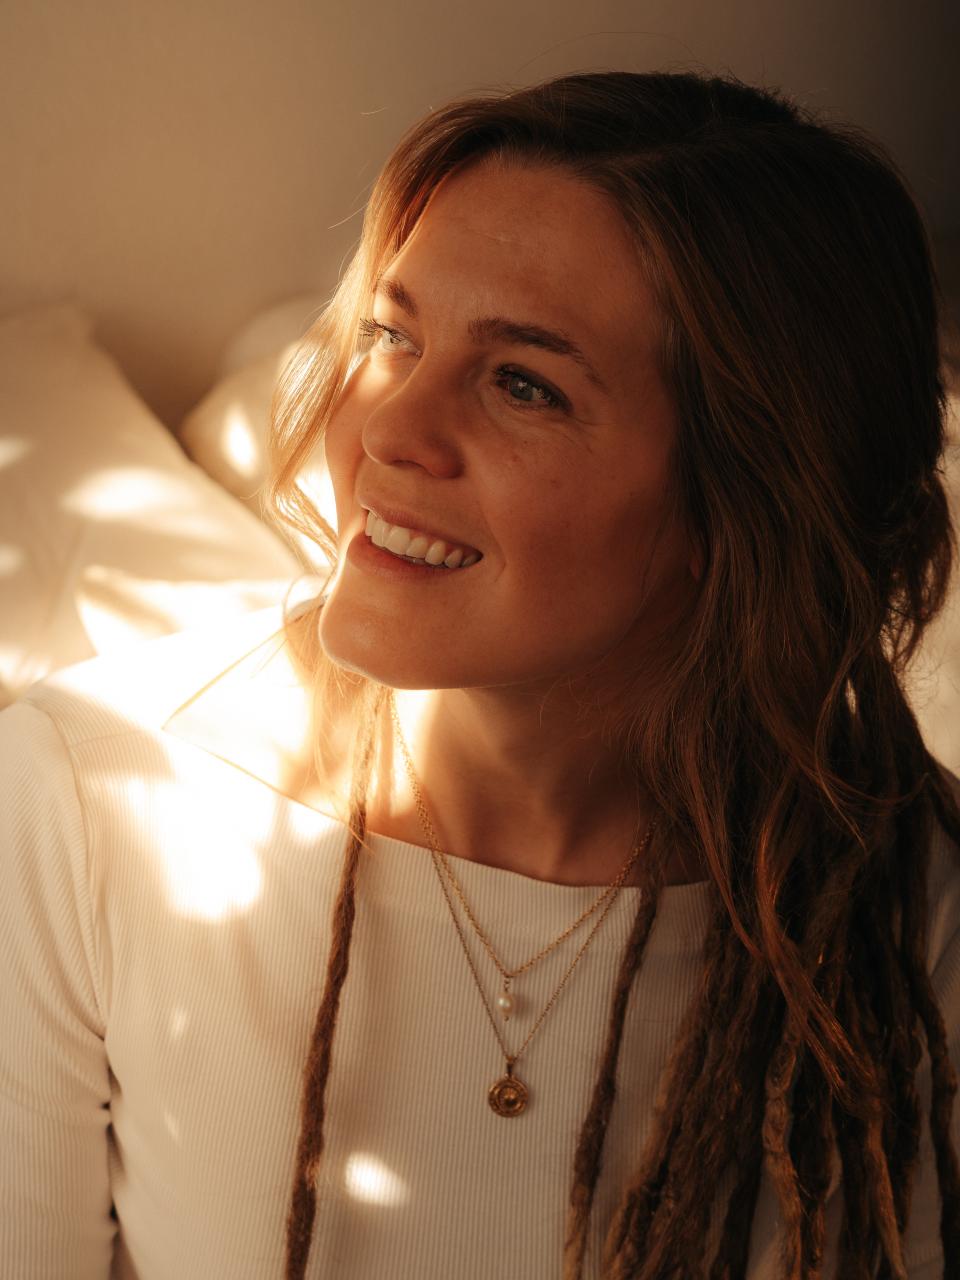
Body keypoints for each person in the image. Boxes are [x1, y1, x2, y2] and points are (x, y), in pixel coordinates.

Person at [1, 70, 958, 1280]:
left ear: (746, 502)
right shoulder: (87, 793)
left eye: (524, 384)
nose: (386, 430)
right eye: (390, 335)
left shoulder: (897, 891)